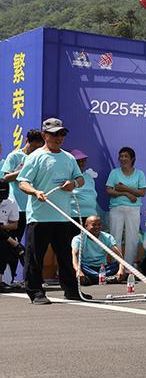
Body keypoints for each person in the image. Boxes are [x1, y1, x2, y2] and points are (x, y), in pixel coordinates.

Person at [17, 118, 86, 304]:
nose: (59, 137)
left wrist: (73, 183)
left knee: (64, 256)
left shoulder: (69, 158)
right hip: (39, 217)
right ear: (44, 135)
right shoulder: (35, 157)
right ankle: (36, 292)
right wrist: (34, 191)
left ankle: (72, 290)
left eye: (61, 133)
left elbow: (81, 179)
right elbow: (22, 182)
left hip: (62, 216)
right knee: (35, 258)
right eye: (54, 134)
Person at [1, 128, 45, 243]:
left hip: (34, 208)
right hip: (17, 207)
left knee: (35, 243)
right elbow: (5, 178)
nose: (35, 150)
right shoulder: (14, 156)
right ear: (27, 141)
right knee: (14, 241)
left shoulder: (40, 158)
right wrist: (24, 171)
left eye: (38, 148)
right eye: (33, 147)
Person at [105, 146, 146, 266]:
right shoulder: (114, 173)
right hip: (116, 208)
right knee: (115, 237)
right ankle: (116, 266)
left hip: (133, 209)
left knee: (132, 238)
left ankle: (128, 267)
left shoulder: (139, 174)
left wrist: (124, 188)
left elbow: (142, 193)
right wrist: (126, 193)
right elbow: (109, 190)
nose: (123, 159)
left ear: (132, 159)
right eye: (121, 156)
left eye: (126, 156)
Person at [71, 215, 126, 285]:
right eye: (93, 225)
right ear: (86, 226)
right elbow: (74, 255)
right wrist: (78, 271)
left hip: (103, 268)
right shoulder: (78, 239)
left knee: (119, 266)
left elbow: (119, 255)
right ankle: (107, 279)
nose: (97, 227)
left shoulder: (107, 237)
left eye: (99, 225)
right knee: (74, 267)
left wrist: (121, 269)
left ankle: (93, 279)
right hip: (87, 268)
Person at [68, 149, 99, 236]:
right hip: (74, 217)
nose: (81, 163)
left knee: (90, 245)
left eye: (83, 160)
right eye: (78, 161)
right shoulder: (67, 177)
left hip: (91, 218)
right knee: (74, 245)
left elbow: (93, 195)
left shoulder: (89, 177)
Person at [0, 179, 23, 291]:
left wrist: (3, 227)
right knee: (5, 245)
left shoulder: (11, 203)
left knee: (6, 246)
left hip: (4, 232)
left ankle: (15, 279)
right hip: (5, 236)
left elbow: (14, 225)